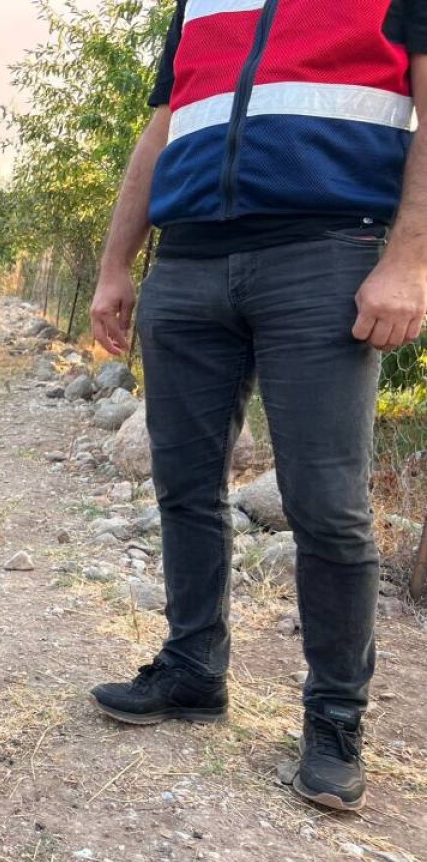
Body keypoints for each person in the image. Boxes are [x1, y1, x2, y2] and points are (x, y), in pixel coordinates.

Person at [89, 0, 427, 811]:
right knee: (183, 485)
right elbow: (158, 131)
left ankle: (336, 717)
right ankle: (193, 669)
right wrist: (114, 265)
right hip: (188, 262)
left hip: (325, 253)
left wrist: (409, 259)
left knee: (328, 506)